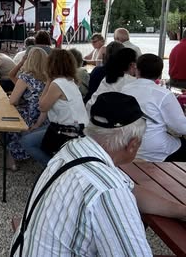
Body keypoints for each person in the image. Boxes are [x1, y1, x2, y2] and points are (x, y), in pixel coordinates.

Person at [11, 92, 186, 256]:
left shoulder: (74, 148)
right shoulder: (108, 189)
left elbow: (130, 190)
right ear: (132, 144)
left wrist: (181, 211)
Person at [21, 49, 88, 165]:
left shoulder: (57, 84)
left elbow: (42, 107)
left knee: (27, 141)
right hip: (78, 128)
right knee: (31, 133)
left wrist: (48, 80)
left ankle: (54, 167)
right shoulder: (70, 81)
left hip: (67, 131)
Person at [123, 54, 186, 161]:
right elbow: (181, 127)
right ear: (160, 74)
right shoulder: (164, 94)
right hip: (154, 150)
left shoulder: (125, 89)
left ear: (137, 70)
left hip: (128, 146)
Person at [7, 47, 48, 170]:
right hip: (45, 117)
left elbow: (12, 101)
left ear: (28, 60)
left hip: (31, 116)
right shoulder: (48, 77)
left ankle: (12, 158)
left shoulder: (26, 77)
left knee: (7, 118)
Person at [85, 47, 137, 113]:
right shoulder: (133, 82)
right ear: (132, 64)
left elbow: (90, 104)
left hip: (92, 114)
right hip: (114, 117)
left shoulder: (107, 78)